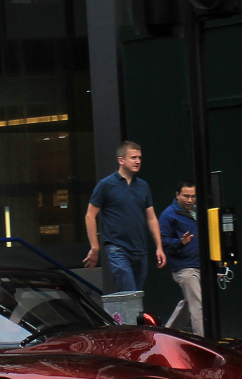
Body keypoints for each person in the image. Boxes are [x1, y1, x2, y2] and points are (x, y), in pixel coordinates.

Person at [83, 141, 166, 291]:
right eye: (133, 157)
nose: (138, 161)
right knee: (129, 292)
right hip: (117, 248)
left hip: (140, 249)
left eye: (139, 157)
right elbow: (90, 215)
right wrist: (95, 247)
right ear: (121, 160)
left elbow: (151, 217)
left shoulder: (143, 186)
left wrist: (159, 247)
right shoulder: (106, 185)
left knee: (136, 294)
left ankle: (124, 315)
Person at [159, 181, 203, 336]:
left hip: (199, 264)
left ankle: (167, 335)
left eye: (193, 196)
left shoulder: (199, 211)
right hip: (184, 267)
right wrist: (180, 242)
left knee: (189, 303)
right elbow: (162, 240)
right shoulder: (169, 215)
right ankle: (204, 343)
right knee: (198, 306)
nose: (189, 200)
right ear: (177, 195)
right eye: (186, 196)